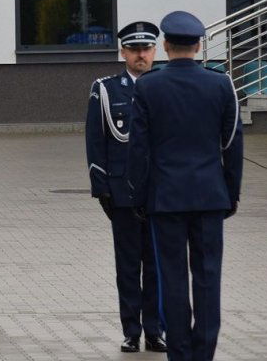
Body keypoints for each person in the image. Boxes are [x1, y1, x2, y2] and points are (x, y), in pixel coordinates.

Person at [126, 11, 243, 361]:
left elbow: (138, 149)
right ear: (198, 45)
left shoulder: (148, 86)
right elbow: (233, 146)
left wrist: (139, 195)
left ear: (164, 45)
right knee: (208, 279)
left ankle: (179, 354)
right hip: (210, 197)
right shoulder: (221, 84)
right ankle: (203, 353)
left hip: (166, 199)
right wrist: (231, 194)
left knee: (173, 279)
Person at [85, 22, 167, 353]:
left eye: (146, 49)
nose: (140, 55)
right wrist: (101, 188)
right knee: (128, 266)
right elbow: (95, 140)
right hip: (122, 194)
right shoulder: (106, 89)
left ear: (155, 51)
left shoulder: (166, 87)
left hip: (161, 194)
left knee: (157, 265)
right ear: (123, 53)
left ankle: (155, 331)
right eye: (134, 50)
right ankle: (131, 331)